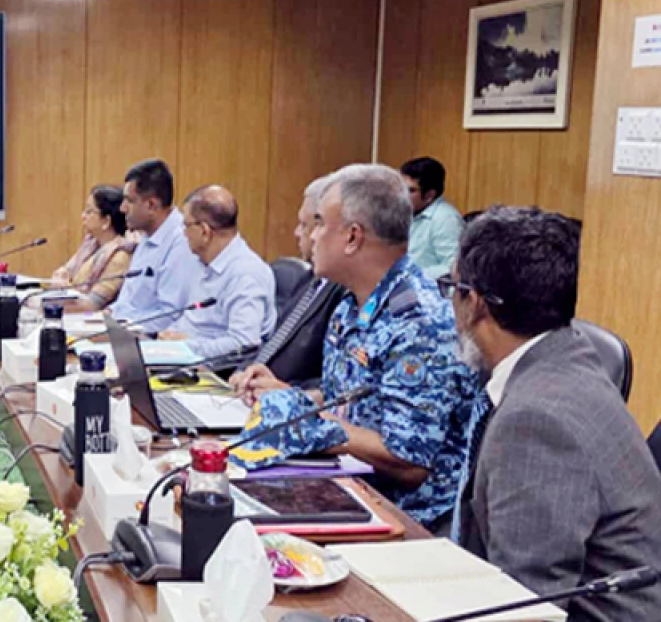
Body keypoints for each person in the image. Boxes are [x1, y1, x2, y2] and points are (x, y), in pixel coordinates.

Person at [234, 164, 478, 531]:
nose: (310, 237)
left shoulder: (420, 324)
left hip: (403, 521)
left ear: (352, 237)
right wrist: (292, 397)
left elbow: (408, 461)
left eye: (319, 224)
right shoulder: (352, 303)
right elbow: (354, 399)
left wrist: (310, 423)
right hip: (344, 486)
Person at [448, 207, 661, 621]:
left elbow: (524, 606)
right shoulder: (568, 356)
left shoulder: (536, 420)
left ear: (473, 303)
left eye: (450, 287)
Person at [217, 177, 346, 388]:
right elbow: (272, 341)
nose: (301, 233)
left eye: (305, 225)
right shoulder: (309, 279)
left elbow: (332, 383)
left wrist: (283, 392)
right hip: (253, 392)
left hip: (289, 404)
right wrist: (244, 370)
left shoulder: (343, 292)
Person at [158, 185, 275, 359]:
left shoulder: (246, 274)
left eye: (186, 226)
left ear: (204, 231)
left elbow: (244, 342)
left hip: (213, 368)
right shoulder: (202, 262)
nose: (183, 234)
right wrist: (168, 337)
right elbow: (192, 322)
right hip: (180, 356)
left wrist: (186, 348)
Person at [107, 159, 204, 334]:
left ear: (151, 205)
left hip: (149, 340)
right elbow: (129, 301)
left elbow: (169, 316)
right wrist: (106, 315)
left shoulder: (181, 241)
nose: (122, 208)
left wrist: (118, 328)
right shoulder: (147, 234)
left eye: (129, 200)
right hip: (123, 332)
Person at [50, 185, 132, 311]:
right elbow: (65, 270)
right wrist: (60, 277)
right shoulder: (91, 244)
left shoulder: (120, 257)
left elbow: (92, 304)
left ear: (106, 221)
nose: (83, 216)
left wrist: (46, 305)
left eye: (89, 211)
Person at [401, 157, 463, 279]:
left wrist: (411, 275)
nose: (402, 195)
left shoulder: (446, 219)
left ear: (429, 195)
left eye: (410, 190)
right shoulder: (405, 213)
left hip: (430, 293)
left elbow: (455, 267)